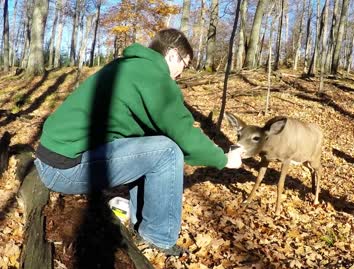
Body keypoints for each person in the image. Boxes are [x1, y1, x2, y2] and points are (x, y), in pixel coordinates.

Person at [33, 28, 242, 257]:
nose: (182, 72)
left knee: (154, 145)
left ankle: (139, 220)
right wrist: (224, 159)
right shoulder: (154, 77)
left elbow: (151, 133)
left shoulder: (125, 67)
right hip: (65, 169)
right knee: (168, 152)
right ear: (172, 54)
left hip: (51, 160)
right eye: (185, 63)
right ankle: (159, 238)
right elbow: (183, 134)